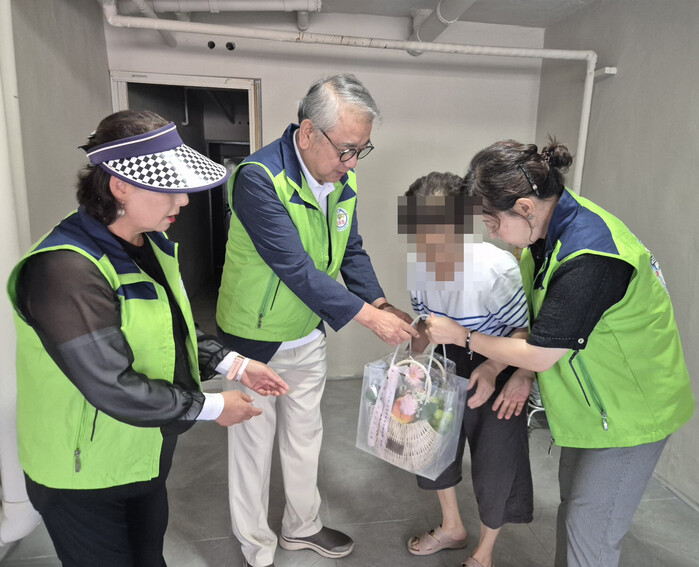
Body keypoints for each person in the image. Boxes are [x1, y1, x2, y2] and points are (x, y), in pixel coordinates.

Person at [6, 110, 288, 567]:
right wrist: (213, 407)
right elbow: (111, 386)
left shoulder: (148, 243)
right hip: (82, 472)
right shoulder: (65, 269)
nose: (184, 200)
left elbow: (173, 329)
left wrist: (236, 365)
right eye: (169, 188)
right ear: (120, 186)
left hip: (142, 452)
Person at [425, 139, 695, 567]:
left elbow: (541, 351)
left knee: (590, 532)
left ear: (525, 207)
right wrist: (510, 369)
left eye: (492, 222)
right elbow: (544, 319)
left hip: (631, 411)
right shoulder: (546, 234)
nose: (491, 233)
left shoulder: (591, 256)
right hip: (590, 405)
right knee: (575, 514)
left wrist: (464, 337)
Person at [216, 73, 417, 567]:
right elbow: (295, 268)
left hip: (306, 331)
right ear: (308, 133)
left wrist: (381, 303)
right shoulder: (258, 178)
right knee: (252, 445)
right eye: (346, 149)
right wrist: (369, 319)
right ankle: (256, 546)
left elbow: (351, 249)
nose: (352, 163)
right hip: (254, 337)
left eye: (361, 150)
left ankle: (301, 528)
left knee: (305, 438)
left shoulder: (342, 179)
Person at [398, 172, 534, 567]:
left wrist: (493, 369)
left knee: (495, 463)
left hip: (498, 364)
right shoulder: (420, 267)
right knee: (434, 447)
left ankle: (484, 554)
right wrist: (410, 355)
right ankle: (452, 527)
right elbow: (426, 327)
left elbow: (525, 334)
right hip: (446, 362)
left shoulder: (496, 269)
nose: (429, 240)